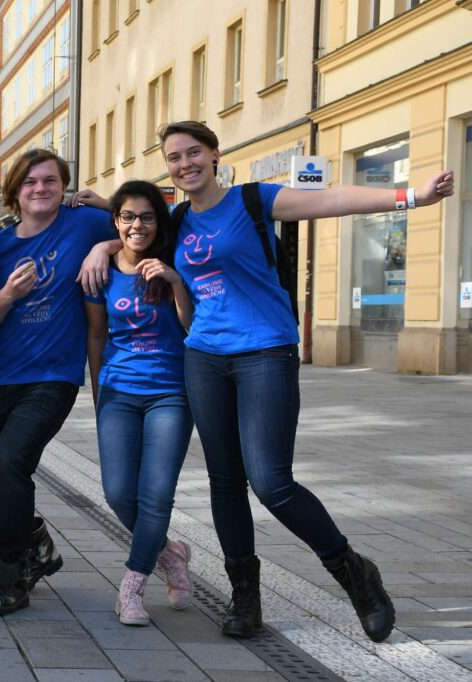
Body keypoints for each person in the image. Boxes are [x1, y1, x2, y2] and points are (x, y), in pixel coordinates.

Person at [155, 120, 454, 642]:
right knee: (224, 483)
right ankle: (245, 597)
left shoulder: (254, 199)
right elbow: (125, 229)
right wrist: (93, 229)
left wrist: (413, 196)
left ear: (214, 153)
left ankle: (354, 574)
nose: (185, 165)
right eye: (174, 158)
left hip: (266, 351)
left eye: (193, 152)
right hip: (203, 355)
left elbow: (333, 199)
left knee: (271, 481)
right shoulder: (177, 219)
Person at [0, 148, 118, 616]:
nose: (41, 188)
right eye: (30, 182)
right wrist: (5, 294)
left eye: (51, 180)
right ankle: (33, 540)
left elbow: (147, 230)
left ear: (64, 186)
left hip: (53, 376)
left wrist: (105, 238)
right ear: (15, 190)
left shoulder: (85, 224)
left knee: (10, 463)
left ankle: (12, 575)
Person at [80, 181, 195, 627]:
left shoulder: (174, 262)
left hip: (172, 392)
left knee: (156, 495)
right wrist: (97, 392)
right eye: (127, 216)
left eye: (147, 217)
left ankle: (132, 586)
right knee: (118, 492)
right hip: (118, 391)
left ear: (158, 222)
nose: (137, 225)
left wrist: (175, 282)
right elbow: (95, 334)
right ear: (116, 221)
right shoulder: (101, 271)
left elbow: (191, 326)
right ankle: (171, 553)